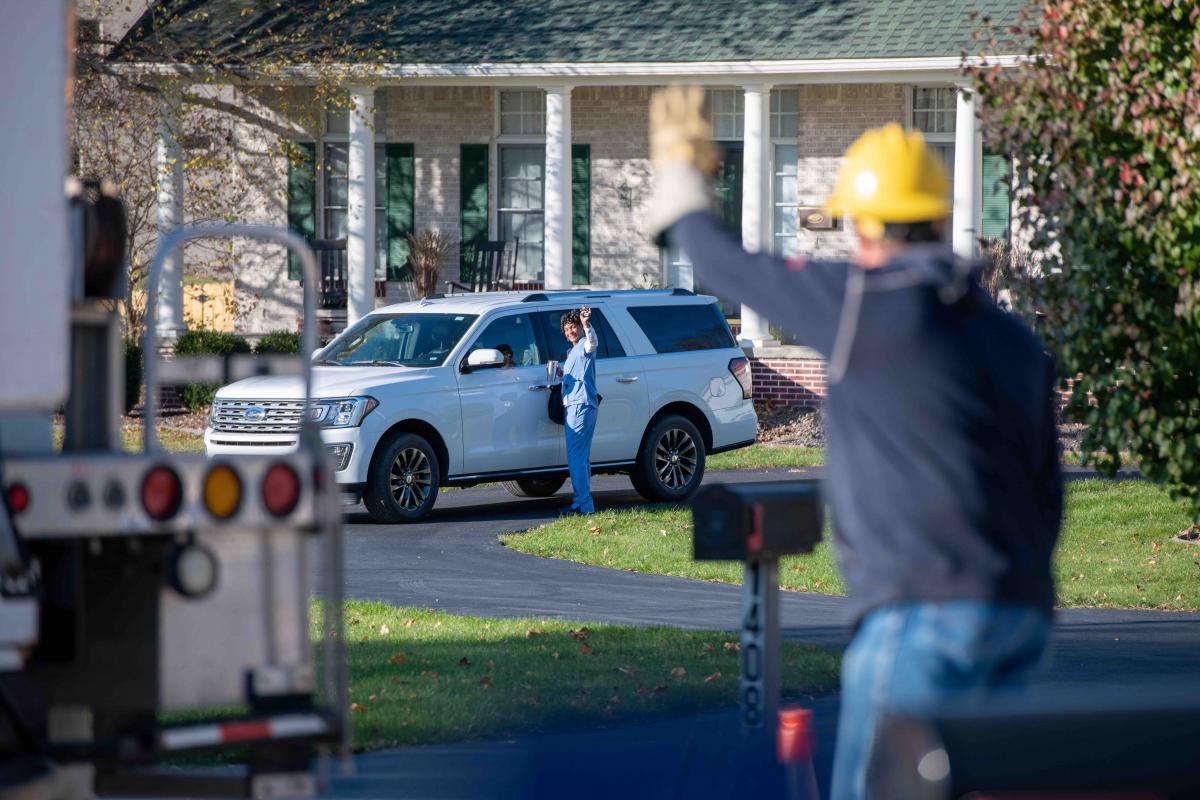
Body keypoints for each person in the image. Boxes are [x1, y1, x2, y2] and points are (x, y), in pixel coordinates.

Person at [647, 86, 1063, 799]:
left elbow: (727, 269)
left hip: (918, 623)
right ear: (939, 219)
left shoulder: (862, 304)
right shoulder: (1011, 338)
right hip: (1019, 617)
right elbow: (1046, 496)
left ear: (865, 230)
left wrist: (684, 185)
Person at [560, 307, 599, 516]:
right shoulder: (571, 352)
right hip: (575, 405)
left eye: (573, 327)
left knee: (576, 457)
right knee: (581, 457)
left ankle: (582, 504)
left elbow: (592, 342)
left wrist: (586, 323)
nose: (570, 331)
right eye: (566, 329)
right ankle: (585, 503)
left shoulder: (585, 344)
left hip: (581, 405)